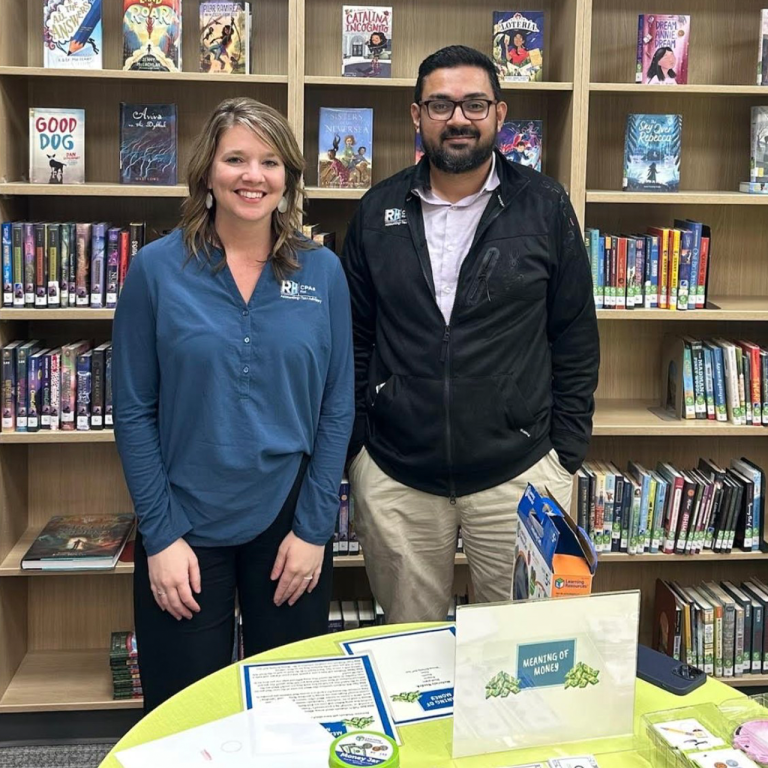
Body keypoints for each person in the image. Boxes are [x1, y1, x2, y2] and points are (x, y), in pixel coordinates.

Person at [342, 45, 599, 624]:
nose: (458, 118)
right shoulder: (377, 209)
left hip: (520, 473)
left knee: (519, 655)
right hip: (398, 477)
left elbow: (575, 334)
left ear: (499, 114)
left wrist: (565, 455)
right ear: (416, 116)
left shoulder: (545, 205)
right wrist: (360, 449)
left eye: (474, 104)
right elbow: (356, 337)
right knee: (411, 654)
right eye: (440, 104)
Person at [113, 97, 354, 712]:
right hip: (184, 522)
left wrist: (314, 529)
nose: (254, 175)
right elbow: (134, 411)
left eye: (270, 161)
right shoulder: (154, 270)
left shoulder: (323, 271)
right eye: (236, 159)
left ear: (288, 177)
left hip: (289, 521)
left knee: (293, 711)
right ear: (208, 174)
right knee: (183, 715)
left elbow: (337, 406)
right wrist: (160, 537)